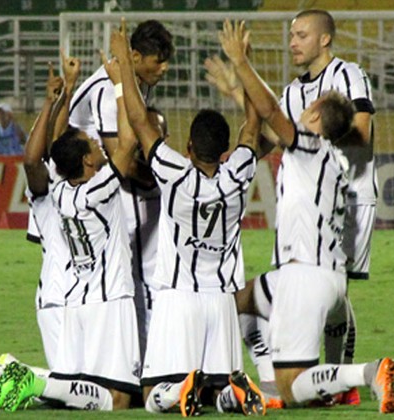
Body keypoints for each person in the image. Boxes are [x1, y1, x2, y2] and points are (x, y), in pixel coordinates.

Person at [219, 19, 394, 414]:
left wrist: (241, 62)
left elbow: (271, 113)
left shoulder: (312, 144)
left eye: (301, 34)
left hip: (307, 272)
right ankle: (270, 382)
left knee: (295, 388)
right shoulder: (322, 153)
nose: (292, 42)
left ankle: (361, 374)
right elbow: (269, 122)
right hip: (315, 269)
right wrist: (238, 92)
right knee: (238, 302)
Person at [109, 19, 267, 417]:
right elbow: (254, 122)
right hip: (221, 300)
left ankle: (180, 389)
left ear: (190, 145)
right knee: (218, 389)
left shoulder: (175, 174)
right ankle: (236, 394)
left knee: (152, 396)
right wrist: (242, 62)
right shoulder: (240, 171)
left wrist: (124, 65)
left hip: (178, 297)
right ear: (226, 147)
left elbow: (140, 119)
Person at [0, 52, 81, 407]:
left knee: (85, 387)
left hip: (89, 294)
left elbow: (59, 137)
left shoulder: (85, 179)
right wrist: (51, 101)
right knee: (71, 390)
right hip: (59, 293)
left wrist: (69, 90)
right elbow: (34, 157)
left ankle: (9, 373)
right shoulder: (44, 184)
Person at [67, 19, 174, 362]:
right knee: (137, 271)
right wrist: (166, 177)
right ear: (136, 56)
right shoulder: (106, 88)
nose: (164, 67)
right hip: (82, 193)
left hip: (96, 187)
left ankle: (128, 362)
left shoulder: (132, 80)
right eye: (158, 59)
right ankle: (145, 366)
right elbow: (122, 160)